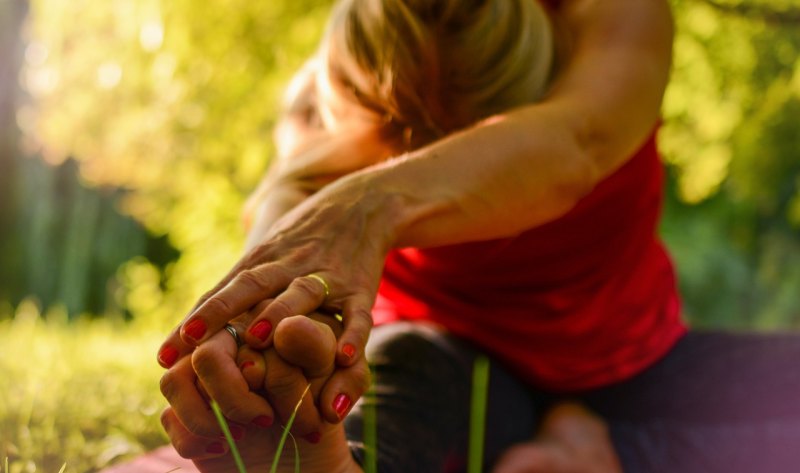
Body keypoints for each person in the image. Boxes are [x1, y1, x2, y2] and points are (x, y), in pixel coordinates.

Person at [151, 0, 800, 472]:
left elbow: (576, 144)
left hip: (635, 360)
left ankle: (603, 449)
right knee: (404, 387)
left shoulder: (615, 17)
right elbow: (284, 210)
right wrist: (255, 338)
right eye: (407, 138)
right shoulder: (332, 84)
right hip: (447, 353)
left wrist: (366, 204)